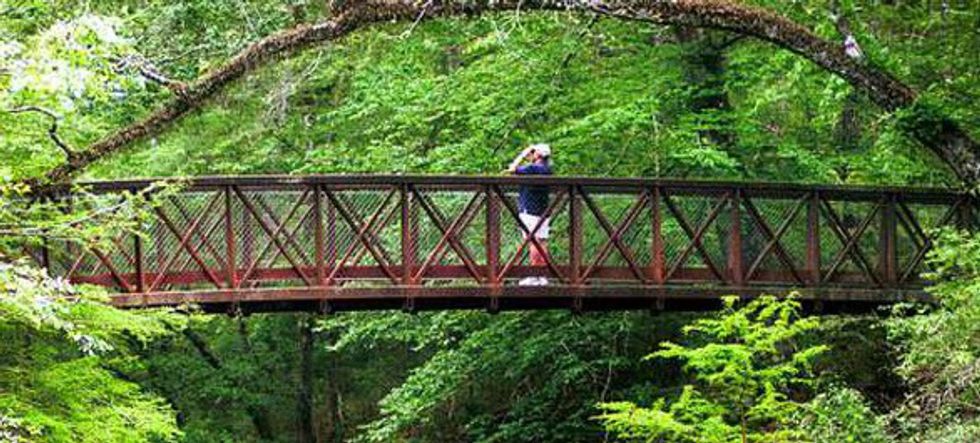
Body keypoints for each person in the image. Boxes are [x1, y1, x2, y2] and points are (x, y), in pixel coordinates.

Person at [508, 143, 553, 286]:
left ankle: (534, 275)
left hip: (529, 210)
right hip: (543, 211)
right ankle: (542, 276)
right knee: (542, 241)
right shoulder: (548, 169)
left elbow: (512, 169)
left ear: (537, 154)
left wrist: (523, 154)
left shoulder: (532, 168)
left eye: (533, 152)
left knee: (533, 241)